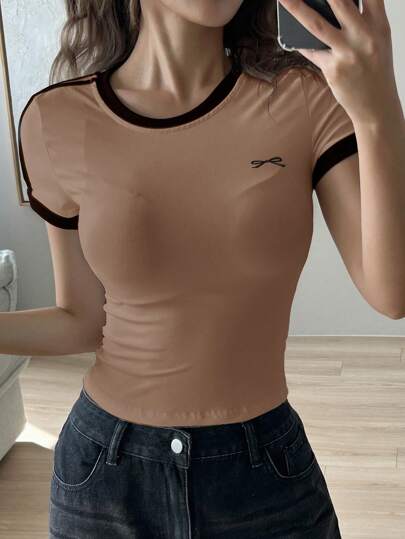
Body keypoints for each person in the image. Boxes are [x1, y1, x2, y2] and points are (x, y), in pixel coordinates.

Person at [15, 0, 363, 537]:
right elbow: (82, 320)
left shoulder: (305, 96)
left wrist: (377, 102)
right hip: (105, 473)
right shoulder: (56, 119)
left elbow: (393, 292)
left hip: (263, 473)